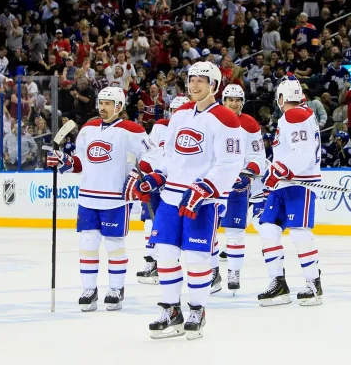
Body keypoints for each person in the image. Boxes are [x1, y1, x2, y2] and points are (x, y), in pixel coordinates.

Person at [137, 61, 244, 340]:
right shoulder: (180, 115)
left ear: (214, 86)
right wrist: (157, 176)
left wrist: (206, 187)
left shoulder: (226, 119)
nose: (194, 85)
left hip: (202, 202)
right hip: (172, 198)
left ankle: (197, 309)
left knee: (197, 259)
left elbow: (231, 163)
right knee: (165, 254)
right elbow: (168, 156)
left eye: (201, 80)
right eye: (192, 79)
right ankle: (171, 310)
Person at [45, 87, 162, 312]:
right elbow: (80, 162)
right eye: (101, 102)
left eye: (108, 103)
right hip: (88, 197)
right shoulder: (88, 128)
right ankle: (89, 289)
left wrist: (137, 175)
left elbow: (153, 155)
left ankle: (116, 289)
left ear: (119, 106)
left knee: (114, 244)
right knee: (87, 243)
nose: (102, 107)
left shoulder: (132, 129)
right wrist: (63, 161)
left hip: (115, 199)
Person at [257, 75, 323, 307]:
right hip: (283, 183)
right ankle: (278, 283)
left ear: (282, 97)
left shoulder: (294, 115)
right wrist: (275, 173)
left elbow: (303, 152)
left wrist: (281, 169)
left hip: (299, 183)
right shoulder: (298, 115)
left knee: (299, 232)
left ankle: (313, 284)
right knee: (267, 229)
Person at [216, 84, 269, 295]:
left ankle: (233, 273)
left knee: (235, 232)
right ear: (223, 100)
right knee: (208, 232)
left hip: (239, 186)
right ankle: (211, 272)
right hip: (213, 184)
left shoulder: (249, 124)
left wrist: (248, 173)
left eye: (237, 100)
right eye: (230, 99)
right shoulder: (212, 120)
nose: (234, 104)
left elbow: (258, 158)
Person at [136, 95, 190, 285]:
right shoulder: (161, 126)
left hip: (178, 185)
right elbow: (152, 152)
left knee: (172, 226)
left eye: (179, 110)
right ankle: (152, 261)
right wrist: (145, 168)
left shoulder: (195, 128)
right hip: (156, 181)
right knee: (150, 222)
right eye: (173, 110)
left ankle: (169, 261)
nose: (176, 114)